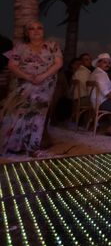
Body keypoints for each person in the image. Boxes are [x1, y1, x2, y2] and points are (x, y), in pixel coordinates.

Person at [0, 21, 63, 155]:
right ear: (27, 33)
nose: (36, 31)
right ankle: (12, 146)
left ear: (43, 30)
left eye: (39, 28)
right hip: (24, 84)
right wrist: (28, 77)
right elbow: (12, 65)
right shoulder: (20, 47)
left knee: (38, 116)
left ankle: (32, 147)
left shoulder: (52, 45)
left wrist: (42, 76)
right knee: (16, 113)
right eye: (32, 29)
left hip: (45, 86)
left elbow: (58, 63)